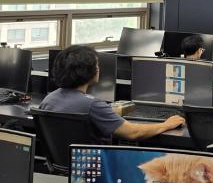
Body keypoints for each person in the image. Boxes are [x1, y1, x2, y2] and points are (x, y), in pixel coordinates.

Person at [40, 45, 184, 142]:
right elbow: (133, 133)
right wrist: (166, 124)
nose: (98, 68)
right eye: (96, 65)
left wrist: (108, 112)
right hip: (97, 167)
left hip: (67, 165)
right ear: (88, 71)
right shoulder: (93, 105)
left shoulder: (49, 99)